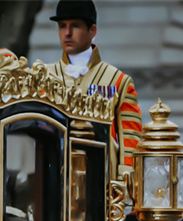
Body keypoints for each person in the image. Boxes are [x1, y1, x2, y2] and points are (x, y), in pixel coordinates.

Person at [46, 0, 142, 172]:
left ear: (92, 31)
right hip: (54, 181)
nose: (67, 33)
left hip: (101, 181)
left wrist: (123, 186)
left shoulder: (118, 81)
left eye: (75, 26)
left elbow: (131, 143)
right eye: (62, 26)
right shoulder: (44, 77)